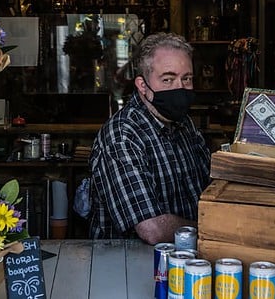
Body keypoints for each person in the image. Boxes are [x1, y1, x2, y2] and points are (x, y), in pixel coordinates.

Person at [89, 32, 211, 244]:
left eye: (187, 79)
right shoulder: (122, 136)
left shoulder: (185, 124)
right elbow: (151, 228)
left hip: (188, 257)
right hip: (126, 264)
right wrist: (213, 228)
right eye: (168, 79)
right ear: (142, 85)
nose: (179, 88)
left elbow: (212, 187)